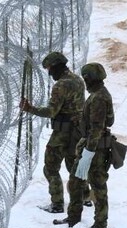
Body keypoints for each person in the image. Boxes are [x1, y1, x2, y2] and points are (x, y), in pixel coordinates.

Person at [19, 51, 90, 216]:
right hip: (78, 131)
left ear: (57, 67)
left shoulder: (61, 85)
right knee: (75, 165)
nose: (49, 73)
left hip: (62, 132)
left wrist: (30, 109)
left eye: (50, 69)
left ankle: (57, 203)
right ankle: (85, 196)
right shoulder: (78, 80)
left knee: (50, 167)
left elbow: (51, 111)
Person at [73, 62, 115, 228]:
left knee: (97, 186)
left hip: (95, 149)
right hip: (93, 146)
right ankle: (74, 217)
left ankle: (100, 224)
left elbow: (97, 128)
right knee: (76, 182)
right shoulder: (101, 94)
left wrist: (88, 153)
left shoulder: (98, 98)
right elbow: (110, 121)